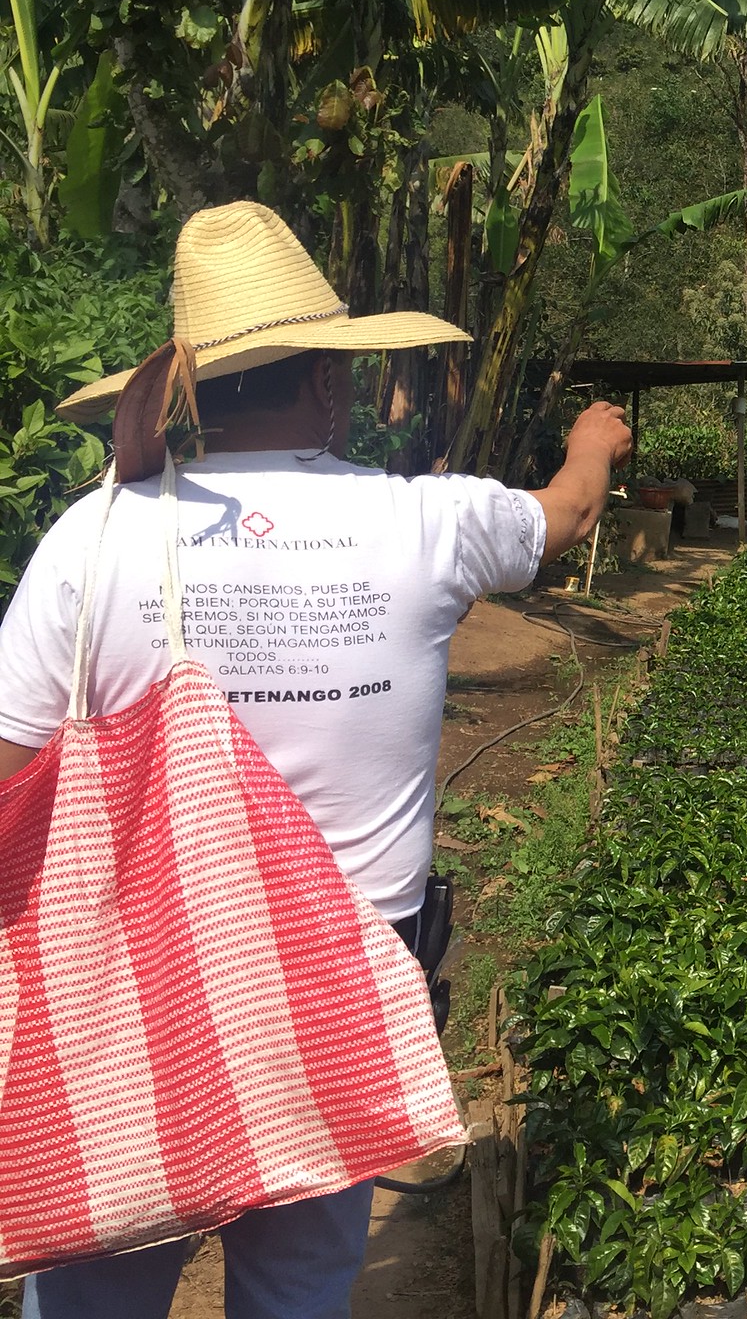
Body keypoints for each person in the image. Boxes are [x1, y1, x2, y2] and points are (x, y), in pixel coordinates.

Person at [0, 201, 631, 1319]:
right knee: (297, 1287)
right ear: (333, 383)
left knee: (103, 1262)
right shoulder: (428, 523)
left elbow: (9, 770)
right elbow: (566, 517)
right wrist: (594, 442)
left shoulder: (89, 540)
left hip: (136, 973)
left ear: (189, 390)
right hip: (347, 974)